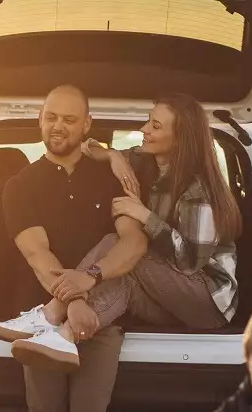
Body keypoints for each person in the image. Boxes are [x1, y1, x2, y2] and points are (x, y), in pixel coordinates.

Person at [0, 84, 149, 412]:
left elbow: (133, 244)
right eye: (49, 117)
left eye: (68, 119)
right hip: (46, 320)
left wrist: (92, 288)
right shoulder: (21, 185)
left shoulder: (109, 177)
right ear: (40, 121)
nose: (56, 127)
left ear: (86, 125)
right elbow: (38, 255)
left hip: (101, 321)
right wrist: (73, 301)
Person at [77, 92, 242, 333]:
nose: (144, 129)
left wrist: (144, 216)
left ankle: (52, 310)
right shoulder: (144, 161)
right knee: (122, 280)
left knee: (121, 246)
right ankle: (65, 333)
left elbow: (189, 262)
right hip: (170, 297)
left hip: (207, 301)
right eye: (148, 120)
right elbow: (87, 147)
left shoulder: (198, 190)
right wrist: (113, 155)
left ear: (179, 139)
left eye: (155, 126)